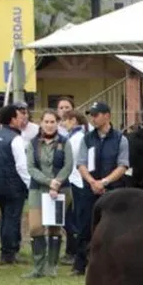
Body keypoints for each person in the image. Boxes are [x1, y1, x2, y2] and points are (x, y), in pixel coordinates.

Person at [73, 101, 129, 276]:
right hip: (89, 189)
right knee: (84, 226)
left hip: (112, 189)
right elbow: (81, 163)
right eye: (91, 115)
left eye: (96, 115)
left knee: (113, 228)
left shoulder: (120, 139)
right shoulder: (87, 138)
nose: (93, 118)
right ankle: (80, 264)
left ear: (107, 116)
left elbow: (123, 165)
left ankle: (112, 265)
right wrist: (92, 182)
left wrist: (104, 182)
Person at [24, 110, 72, 278]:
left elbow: (68, 166)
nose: (50, 125)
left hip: (60, 190)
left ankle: (51, 267)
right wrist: (48, 182)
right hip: (38, 188)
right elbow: (31, 167)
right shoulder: (33, 143)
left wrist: (56, 183)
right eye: (47, 121)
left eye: (53, 122)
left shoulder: (65, 142)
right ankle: (38, 267)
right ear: (41, 123)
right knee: (35, 227)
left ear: (57, 123)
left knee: (54, 227)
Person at [0, 105, 31, 265]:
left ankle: (7, 250)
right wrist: (29, 183)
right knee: (12, 218)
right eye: (19, 116)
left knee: (5, 218)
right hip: (13, 184)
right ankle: (10, 252)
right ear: (12, 119)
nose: (22, 119)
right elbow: (21, 165)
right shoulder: (15, 139)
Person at [60, 110, 89, 264]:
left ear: (73, 120)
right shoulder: (76, 137)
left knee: (72, 219)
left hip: (75, 181)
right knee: (72, 218)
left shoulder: (76, 138)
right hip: (74, 180)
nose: (63, 124)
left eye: (65, 120)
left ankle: (76, 251)